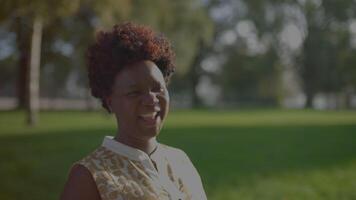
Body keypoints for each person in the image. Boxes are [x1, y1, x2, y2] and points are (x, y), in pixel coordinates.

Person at [60, 22, 207, 200]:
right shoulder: (91, 176)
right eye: (134, 92)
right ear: (110, 101)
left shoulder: (180, 160)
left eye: (157, 89)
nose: (151, 99)